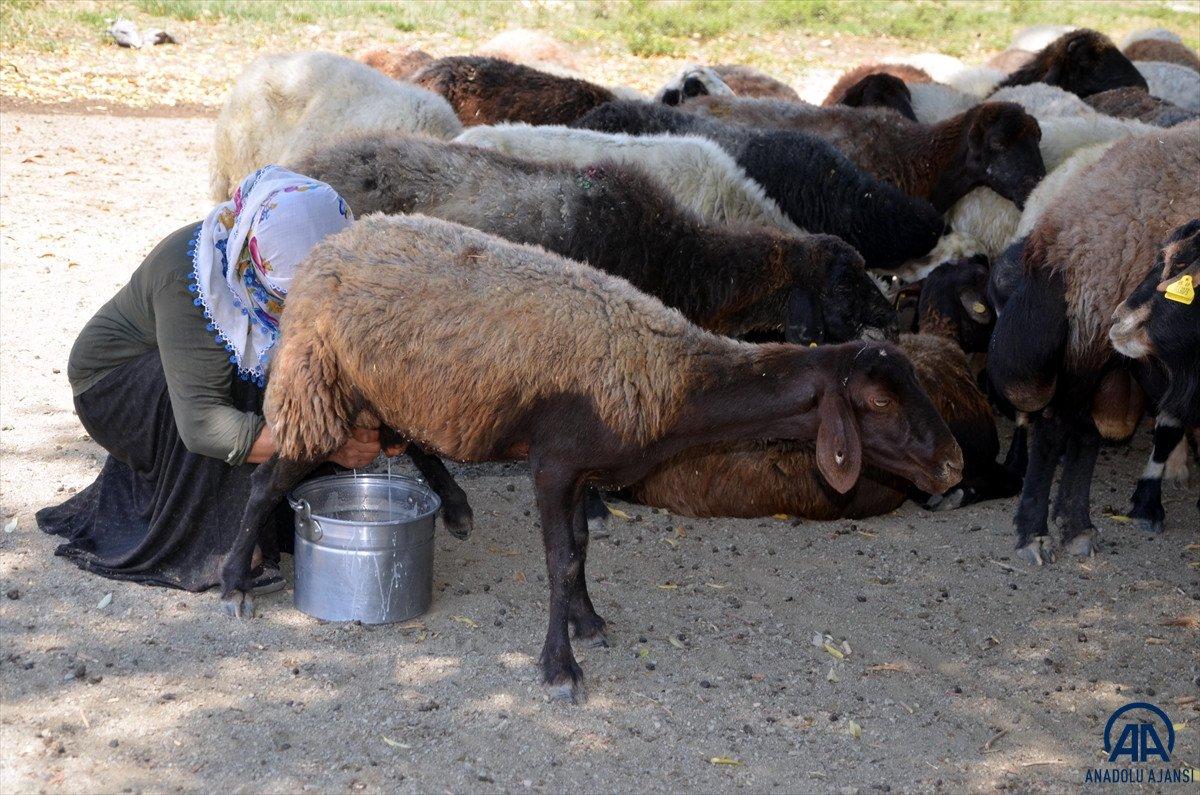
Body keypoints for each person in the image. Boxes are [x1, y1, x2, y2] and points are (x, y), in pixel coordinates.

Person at [37, 166, 387, 593]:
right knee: (236, 405)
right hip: (117, 389)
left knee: (281, 389)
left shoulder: (286, 258)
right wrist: (330, 442)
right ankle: (215, 546)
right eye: (289, 295)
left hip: (184, 375)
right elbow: (204, 424)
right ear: (257, 261)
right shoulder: (194, 277)